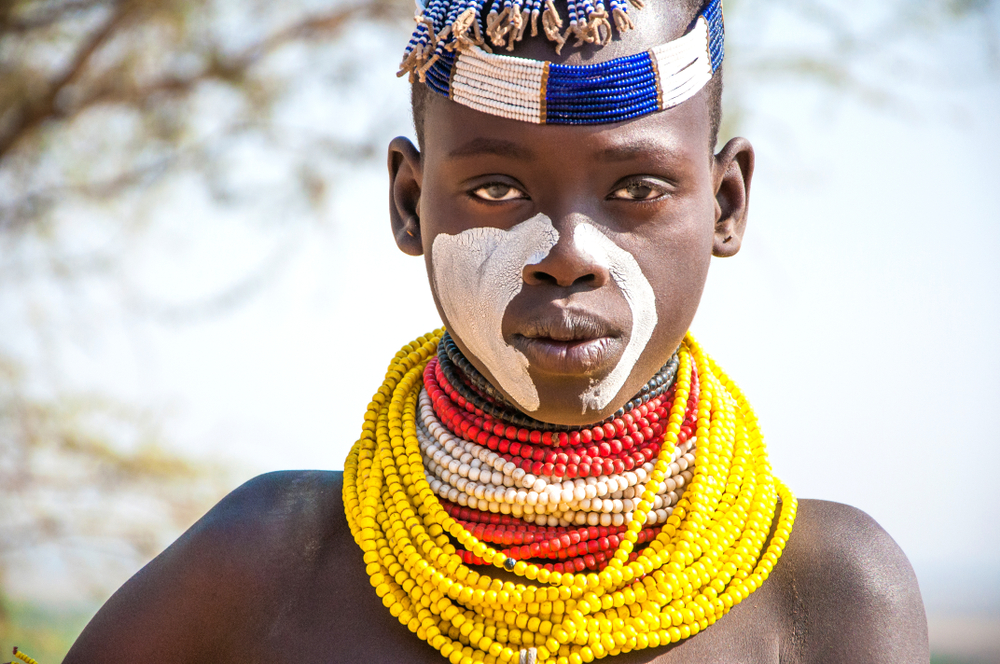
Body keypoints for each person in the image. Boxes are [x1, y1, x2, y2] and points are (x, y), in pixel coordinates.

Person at [63, 0, 929, 662]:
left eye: (636, 189)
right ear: (410, 202)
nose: (567, 255)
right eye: (494, 190)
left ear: (726, 204)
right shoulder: (267, 565)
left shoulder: (829, 600)